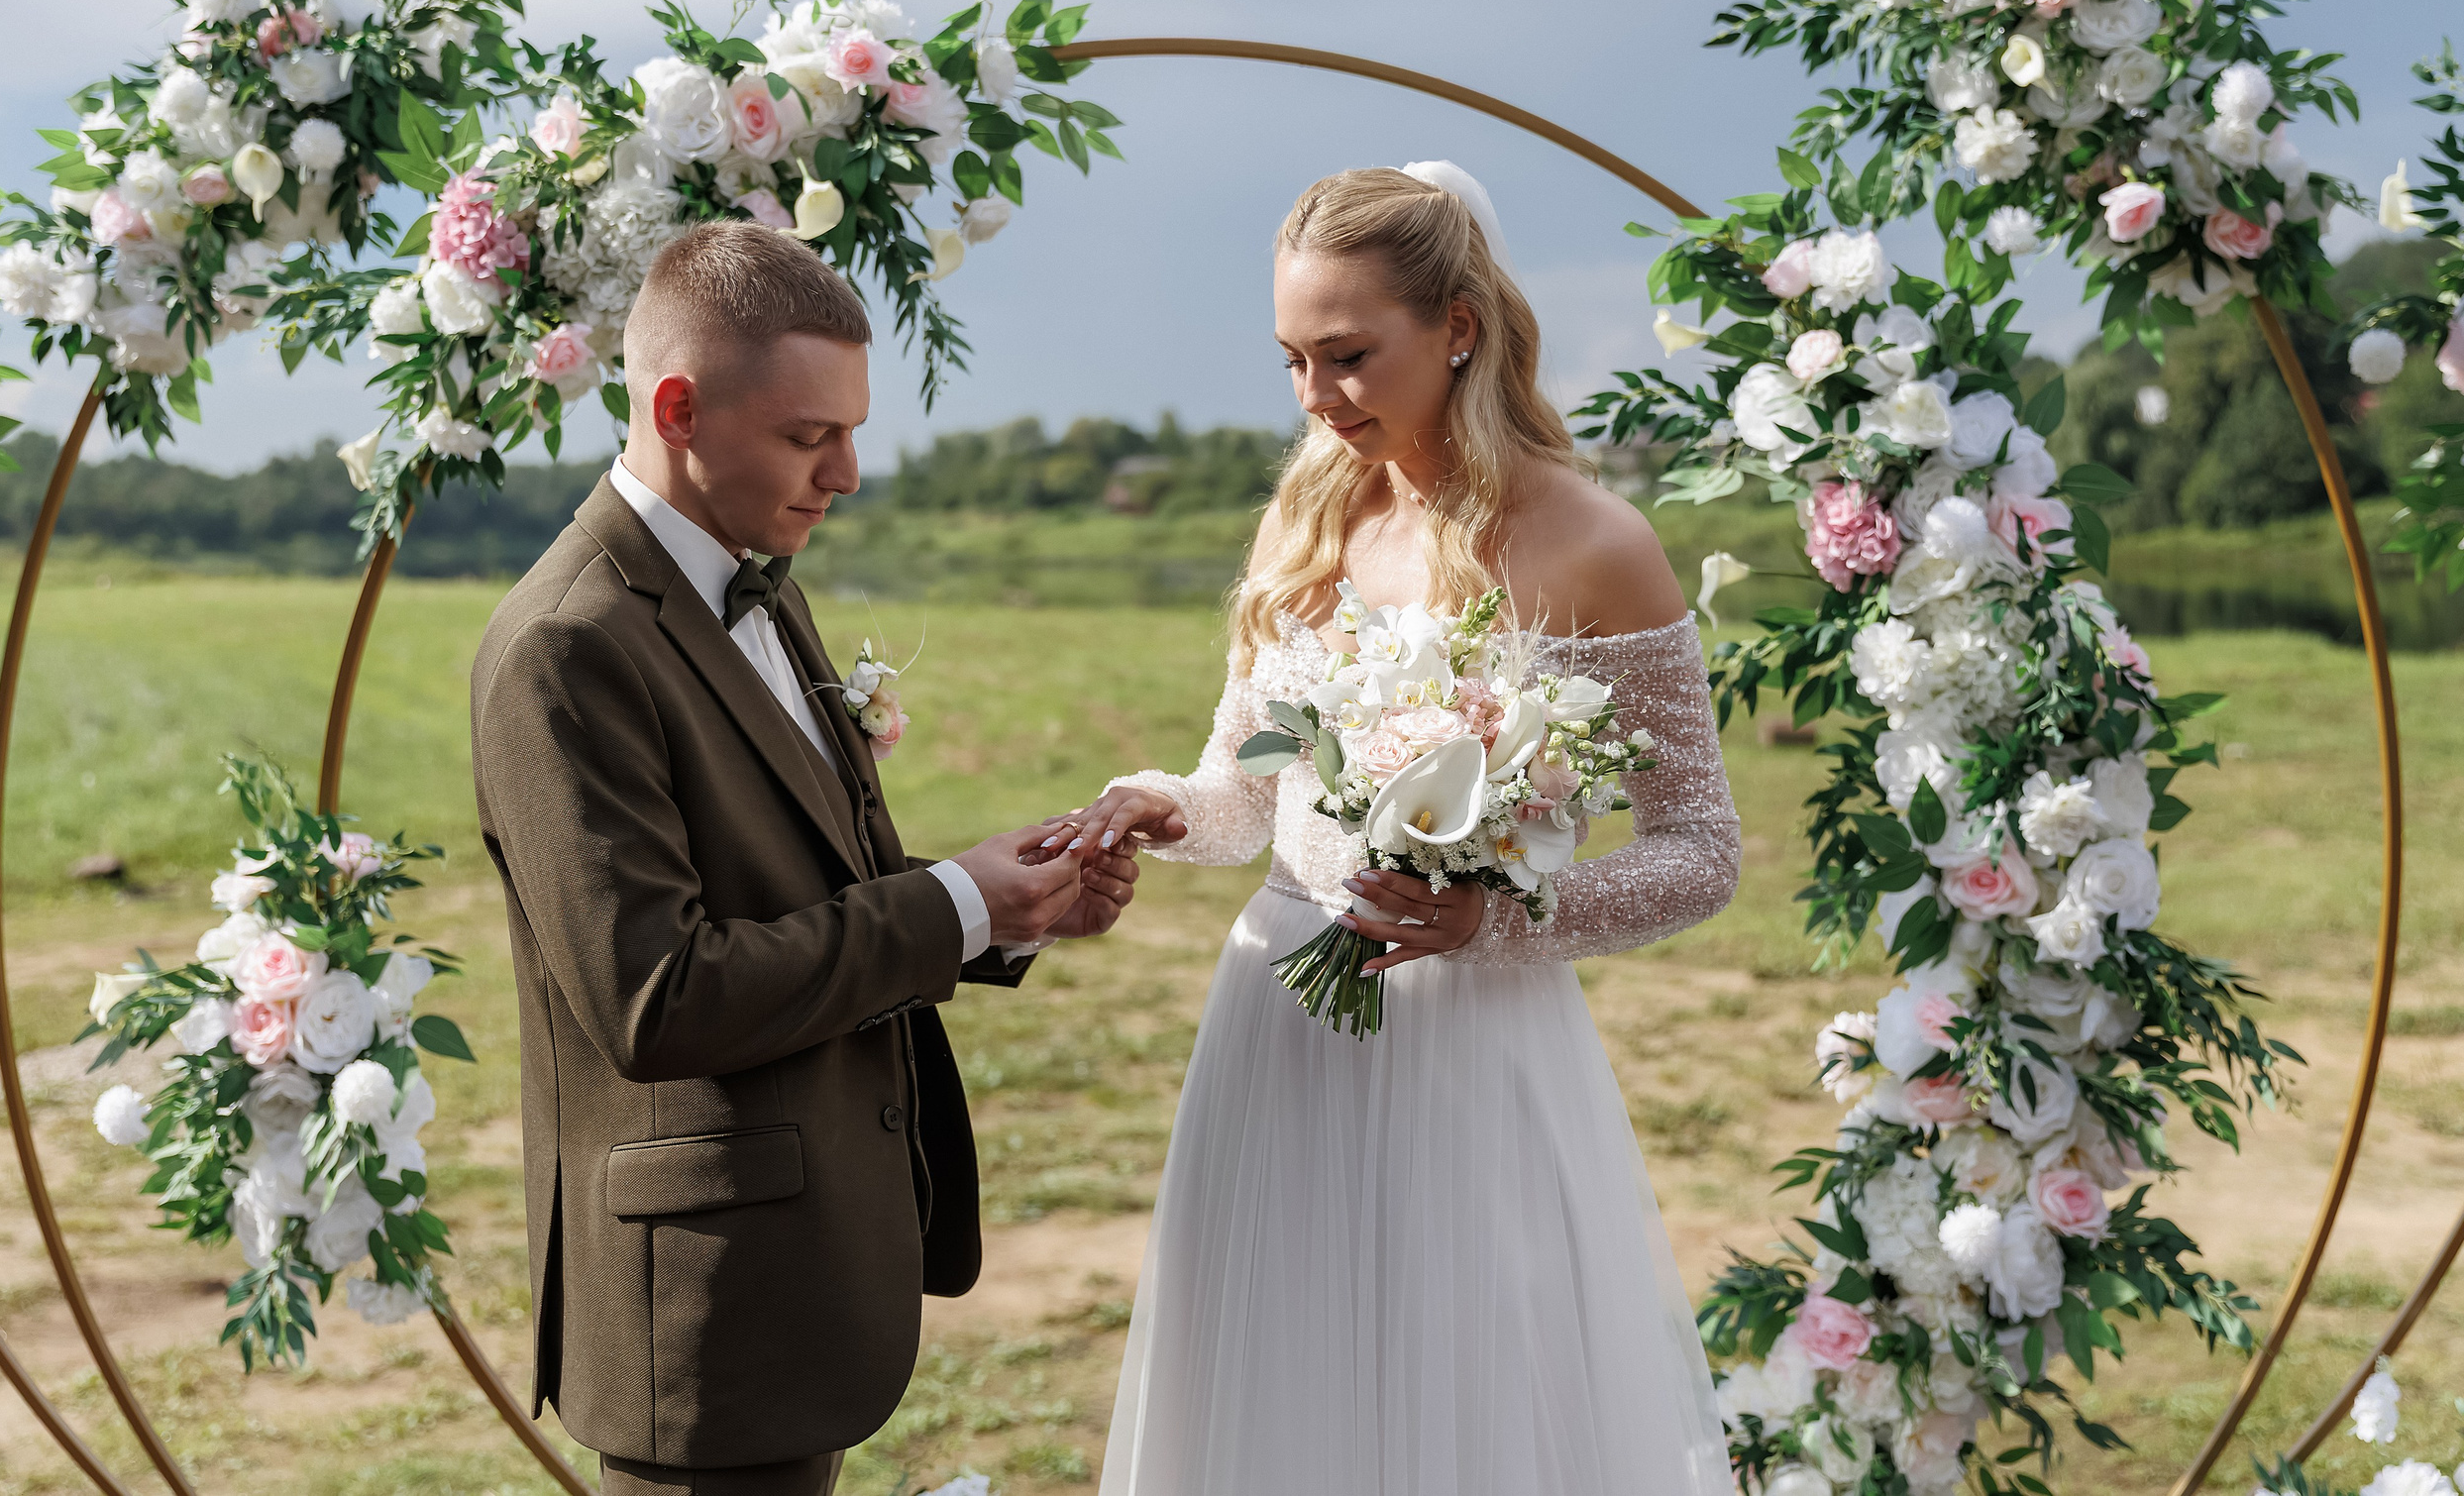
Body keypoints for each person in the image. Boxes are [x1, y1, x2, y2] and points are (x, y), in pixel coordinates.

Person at [1068, 165, 1742, 1495]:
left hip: (1472, 1044)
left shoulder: (1600, 543)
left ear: (1460, 326)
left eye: (1348, 356)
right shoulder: (1308, 518)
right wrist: (1165, 806)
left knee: (1471, 1406)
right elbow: (1249, 795)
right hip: (1284, 1020)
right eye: (1294, 361)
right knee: (1281, 1397)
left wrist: (1497, 917)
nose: (1317, 398)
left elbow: (1700, 849)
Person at [469, 221, 1138, 1496]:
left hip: (808, 1253)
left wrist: (1011, 907)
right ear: (677, 408)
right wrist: (951, 907)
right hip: (704, 1305)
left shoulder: (762, 579)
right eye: (807, 435)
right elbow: (655, 1001)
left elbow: (815, 891)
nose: (846, 472)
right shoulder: (567, 647)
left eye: (852, 429)